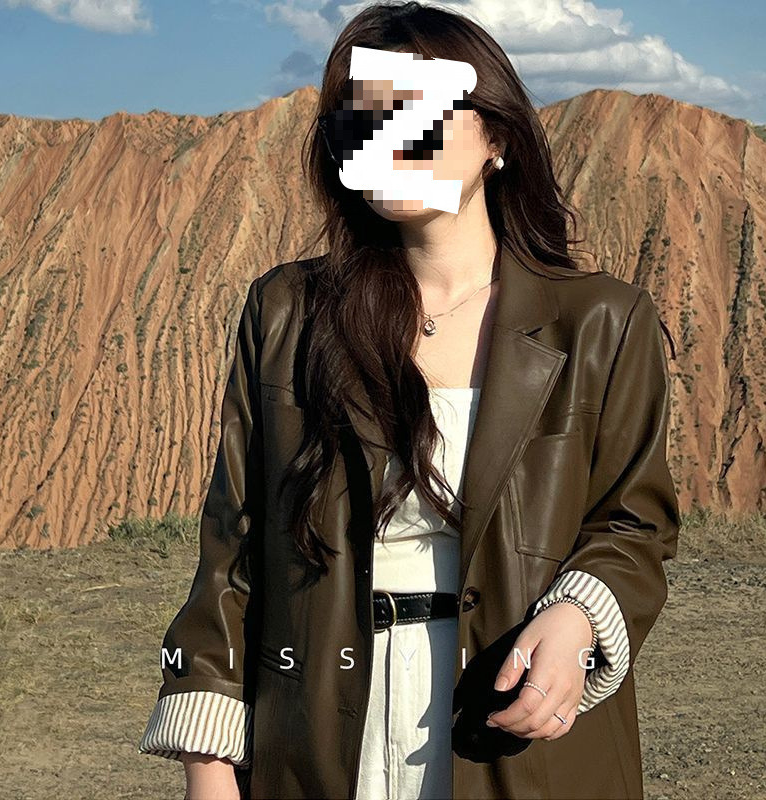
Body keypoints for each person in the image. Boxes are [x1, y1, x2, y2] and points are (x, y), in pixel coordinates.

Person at [138, 3, 680, 799]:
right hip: (321, 735)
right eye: (360, 123)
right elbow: (234, 546)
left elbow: (633, 523)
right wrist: (209, 765)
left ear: (496, 137)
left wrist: (578, 619)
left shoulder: (601, 321)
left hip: (514, 737)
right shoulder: (287, 313)